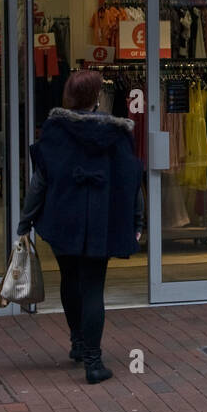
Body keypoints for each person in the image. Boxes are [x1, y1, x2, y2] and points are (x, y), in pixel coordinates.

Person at [18, 69, 145, 383]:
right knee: (92, 288)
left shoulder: (55, 130)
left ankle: (77, 342)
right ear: (96, 96)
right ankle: (93, 362)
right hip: (101, 220)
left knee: (69, 279)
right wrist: (137, 220)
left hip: (63, 217)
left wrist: (25, 221)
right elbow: (132, 180)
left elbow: (40, 181)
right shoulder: (116, 133)